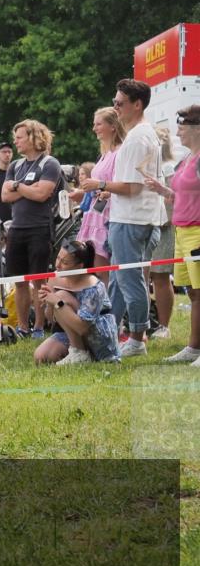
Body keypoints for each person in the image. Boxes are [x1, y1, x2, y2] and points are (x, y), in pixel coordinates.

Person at [81, 79, 163, 358]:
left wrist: (100, 186)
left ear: (136, 105)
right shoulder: (140, 135)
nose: (115, 108)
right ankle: (113, 332)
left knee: (129, 281)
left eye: (120, 103)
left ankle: (138, 338)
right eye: (114, 103)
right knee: (120, 281)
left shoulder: (138, 138)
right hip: (131, 217)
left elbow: (132, 187)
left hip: (132, 219)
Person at [1, 120, 64, 338]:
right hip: (16, 228)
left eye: (19, 137)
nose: (15, 142)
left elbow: (42, 194)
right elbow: (4, 196)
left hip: (40, 227)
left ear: (33, 137)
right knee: (19, 280)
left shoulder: (49, 163)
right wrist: (30, 188)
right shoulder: (15, 166)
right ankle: (22, 327)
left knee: (39, 280)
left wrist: (18, 186)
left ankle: (38, 326)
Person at [149, 106, 200, 365]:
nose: (177, 132)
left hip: (197, 232)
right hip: (182, 231)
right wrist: (162, 190)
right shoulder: (186, 160)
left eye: (181, 127)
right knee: (192, 292)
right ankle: (194, 347)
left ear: (196, 128)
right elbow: (181, 196)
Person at [33, 241, 120, 365]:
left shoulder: (94, 285)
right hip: (69, 332)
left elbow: (82, 328)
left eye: (65, 262)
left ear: (80, 266)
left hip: (97, 336)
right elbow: (51, 319)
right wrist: (48, 301)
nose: (57, 265)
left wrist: (57, 301)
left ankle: (80, 353)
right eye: (58, 258)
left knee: (61, 295)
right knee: (41, 357)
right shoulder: (55, 278)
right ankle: (78, 351)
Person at [75, 108, 125, 286]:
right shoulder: (105, 153)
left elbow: (124, 185)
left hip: (108, 215)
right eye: (94, 124)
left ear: (112, 126)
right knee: (95, 264)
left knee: (102, 266)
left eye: (98, 124)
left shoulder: (119, 153)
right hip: (96, 212)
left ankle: (108, 306)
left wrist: (104, 190)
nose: (94, 128)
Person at [147, 127, 178, 339]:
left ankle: (164, 325)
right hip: (147, 227)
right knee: (146, 276)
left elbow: (172, 201)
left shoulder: (168, 168)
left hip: (163, 227)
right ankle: (149, 320)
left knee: (160, 276)